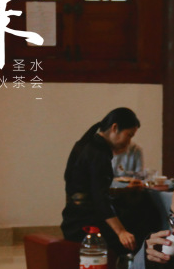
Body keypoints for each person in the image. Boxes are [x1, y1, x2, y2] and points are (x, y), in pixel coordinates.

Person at [62, 107, 145, 255]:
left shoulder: (85, 144)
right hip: (85, 225)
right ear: (115, 128)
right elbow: (100, 200)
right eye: (129, 135)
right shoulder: (99, 154)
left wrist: (124, 190)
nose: (129, 142)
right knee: (142, 219)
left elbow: (91, 189)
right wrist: (121, 232)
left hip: (72, 220)